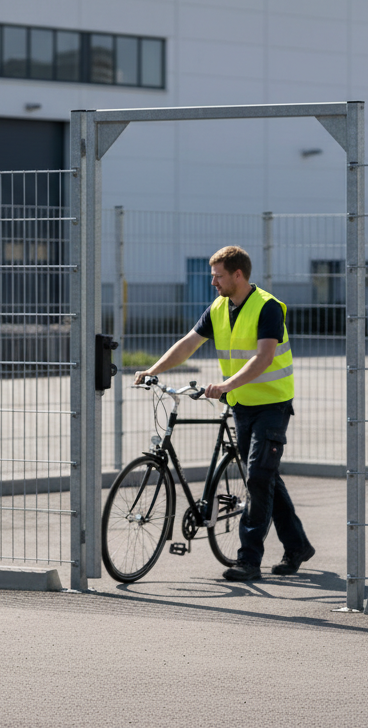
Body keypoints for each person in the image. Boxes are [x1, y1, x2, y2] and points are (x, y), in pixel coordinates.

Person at [134, 245, 314, 581]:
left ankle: (248, 560)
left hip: (272, 405)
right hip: (241, 405)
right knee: (264, 477)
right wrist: (152, 370)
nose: (213, 282)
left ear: (238, 275)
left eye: (218, 276)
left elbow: (263, 357)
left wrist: (226, 385)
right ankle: (298, 546)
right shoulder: (218, 308)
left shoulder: (267, 307)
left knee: (258, 478)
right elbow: (188, 344)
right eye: (212, 275)